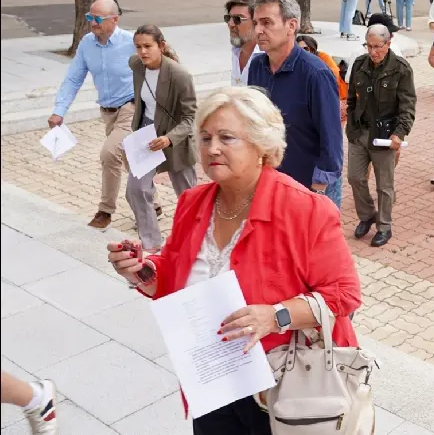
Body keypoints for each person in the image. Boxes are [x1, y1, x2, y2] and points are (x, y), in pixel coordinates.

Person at [106, 86, 362, 433]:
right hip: (210, 381)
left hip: (283, 388)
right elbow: (174, 275)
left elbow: (343, 295)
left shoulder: (306, 210)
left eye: (227, 138)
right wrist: (143, 270)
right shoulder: (193, 202)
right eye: (205, 137)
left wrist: (276, 315)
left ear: (261, 145)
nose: (212, 148)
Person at [248, 0, 344, 207]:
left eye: (266, 23)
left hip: (308, 188)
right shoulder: (257, 67)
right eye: (255, 23)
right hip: (270, 182)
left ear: (291, 26)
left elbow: (331, 137)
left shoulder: (315, 73)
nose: (258, 31)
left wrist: (317, 189)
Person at [49, 0, 136, 229]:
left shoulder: (131, 43)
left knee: (109, 154)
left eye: (98, 19)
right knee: (130, 159)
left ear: (114, 19)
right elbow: (73, 78)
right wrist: (59, 111)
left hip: (131, 108)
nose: (92, 23)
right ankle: (154, 203)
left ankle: (105, 211)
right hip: (108, 112)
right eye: (90, 18)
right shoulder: (87, 44)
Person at [124, 25, 197, 251]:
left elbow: (190, 117)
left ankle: (195, 241)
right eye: (138, 47)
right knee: (136, 190)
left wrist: (169, 138)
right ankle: (152, 244)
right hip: (146, 134)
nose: (142, 52)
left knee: (189, 197)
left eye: (148, 46)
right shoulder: (136, 65)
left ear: (161, 46)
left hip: (174, 137)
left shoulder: (179, 75)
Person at [346, 25, 417, 247]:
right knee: (355, 177)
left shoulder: (401, 69)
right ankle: (367, 216)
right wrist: (351, 125)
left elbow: (407, 105)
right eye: (369, 46)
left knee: (384, 185)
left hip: (385, 135)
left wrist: (400, 132)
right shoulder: (359, 64)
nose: (373, 51)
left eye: (378, 47)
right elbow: (351, 99)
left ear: (388, 44)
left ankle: (384, 226)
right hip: (359, 133)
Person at [296, 35, 348, 123]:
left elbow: (333, 77)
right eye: (298, 49)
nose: (302, 52)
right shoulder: (295, 61)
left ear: (312, 48)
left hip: (332, 97)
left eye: (306, 48)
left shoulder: (323, 57)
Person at [225, 0, 262, 86]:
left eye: (237, 19)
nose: (230, 24)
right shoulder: (236, 53)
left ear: (255, 23)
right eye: (228, 18)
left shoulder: (266, 57)